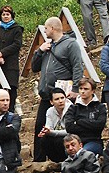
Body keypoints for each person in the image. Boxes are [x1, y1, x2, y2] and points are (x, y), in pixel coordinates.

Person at [31, 16, 85, 162]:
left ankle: (68, 157)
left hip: (63, 93)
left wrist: (75, 89)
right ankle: (39, 160)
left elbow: (77, 66)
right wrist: (39, 51)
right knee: (40, 126)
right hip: (46, 95)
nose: (45, 31)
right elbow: (34, 68)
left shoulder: (70, 44)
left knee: (66, 126)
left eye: (46, 28)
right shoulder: (47, 47)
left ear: (53, 28)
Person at [0, 6, 23, 108]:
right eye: (3, 15)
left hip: (11, 64)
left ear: (11, 16)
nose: (5, 16)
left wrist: (2, 53)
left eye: (8, 14)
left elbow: (17, 44)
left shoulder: (17, 29)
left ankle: (11, 109)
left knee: (11, 88)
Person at [64, 77, 107, 155]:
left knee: (83, 153)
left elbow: (99, 125)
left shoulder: (100, 107)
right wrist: (91, 125)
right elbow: (69, 127)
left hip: (94, 142)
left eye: (86, 89)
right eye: (81, 88)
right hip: (75, 143)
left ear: (93, 91)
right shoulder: (73, 108)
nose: (82, 91)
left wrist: (79, 122)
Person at [38, 88, 73, 163]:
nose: (60, 101)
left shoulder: (71, 109)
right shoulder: (50, 111)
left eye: (62, 98)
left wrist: (51, 132)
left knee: (60, 141)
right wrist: (45, 131)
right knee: (44, 140)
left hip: (70, 135)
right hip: (56, 135)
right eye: (57, 99)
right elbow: (48, 126)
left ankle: (66, 161)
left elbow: (70, 130)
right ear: (51, 102)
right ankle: (56, 162)